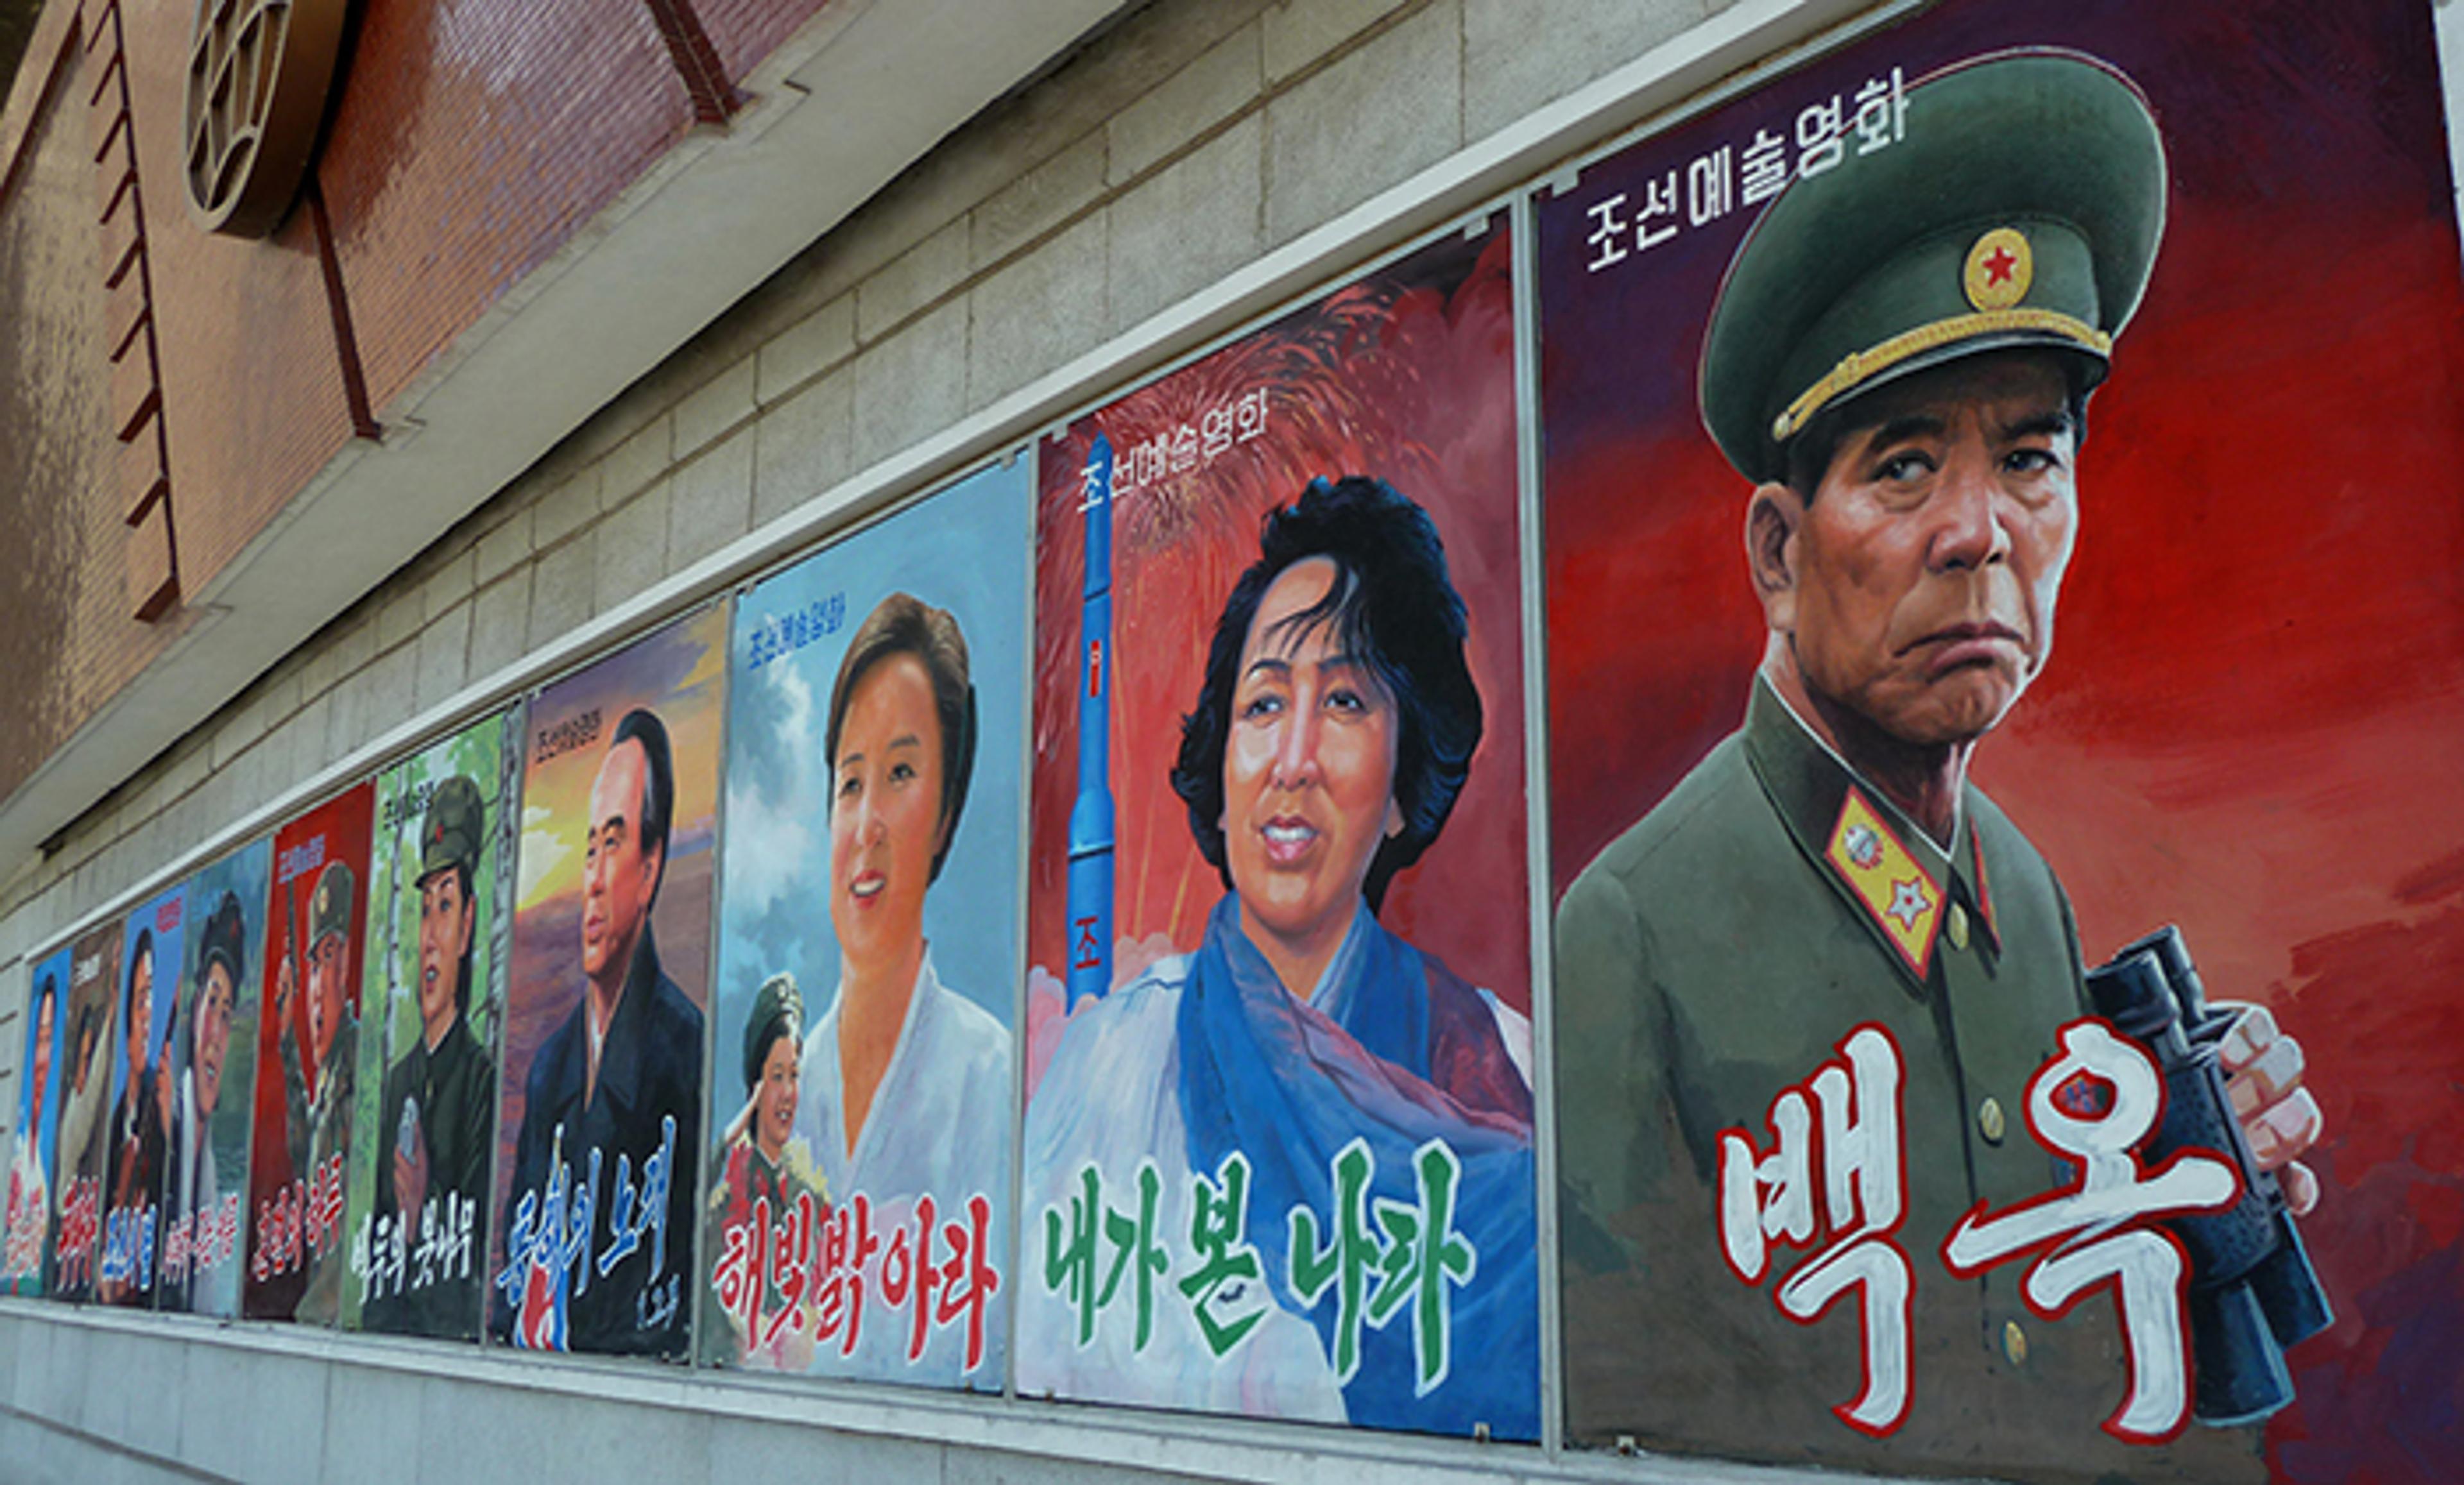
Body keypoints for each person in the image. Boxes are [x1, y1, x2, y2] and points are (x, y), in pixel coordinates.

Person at [1553, 51, 2321, 1480]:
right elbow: (1613, 1418)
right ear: (1781, 552)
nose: (1981, 531)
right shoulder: (1631, 925)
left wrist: (2192, 1203)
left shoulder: (2017, 885)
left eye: (2030, 457)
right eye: (1904, 465)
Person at [1022, 476, 1537, 1436]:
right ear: (1221, 776)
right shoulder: (1118, 1064)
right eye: (1262, 705)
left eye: (1343, 699)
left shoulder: (1499, 1072)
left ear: (1399, 786)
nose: (1293, 756)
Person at [791, 591, 1011, 1382]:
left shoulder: (991, 1076)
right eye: (851, 784)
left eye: (902, 774)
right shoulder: (787, 1089)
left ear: (947, 813)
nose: (868, 823)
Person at [497, 708, 702, 1355]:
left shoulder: (684, 1053)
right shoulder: (551, 1065)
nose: (590, 877)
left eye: (613, 843)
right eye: (588, 846)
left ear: (650, 867)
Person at [365, 775, 497, 1337]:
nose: (430, 938)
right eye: (424, 910)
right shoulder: (398, 1083)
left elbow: (475, 1273)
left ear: (467, 926)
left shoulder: (482, 1083)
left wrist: (423, 1205)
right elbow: (376, 1255)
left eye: (445, 906)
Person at [704, 972, 825, 1370]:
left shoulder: (811, 1199)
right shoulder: (722, 1202)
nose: (788, 1092)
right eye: (776, 1077)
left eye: (794, 1075)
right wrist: (732, 1135)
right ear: (755, 1085)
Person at [268, 858, 357, 1322]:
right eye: (314, 965)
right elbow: (303, 1151)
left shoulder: (359, 1062)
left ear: (346, 966)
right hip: (317, 1313)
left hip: (339, 1313)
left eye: (330, 958)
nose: (318, 989)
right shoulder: (326, 1074)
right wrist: (286, 1041)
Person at [162, 891, 244, 1314]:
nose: (216, 1033)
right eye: (211, 1004)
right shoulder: (166, 1128)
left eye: (227, 1014)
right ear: (194, 1013)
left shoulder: (207, 1153)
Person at [100, 930, 168, 1305]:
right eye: (140, 1001)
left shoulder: (160, 1113)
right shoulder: (112, 1127)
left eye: (152, 1003)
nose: (146, 1018)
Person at [4, 971, 58, 1293]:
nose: (41, 1059)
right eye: (38, 1041)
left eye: (49, 1040)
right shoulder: (20, 1149)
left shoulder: (50, 1157)